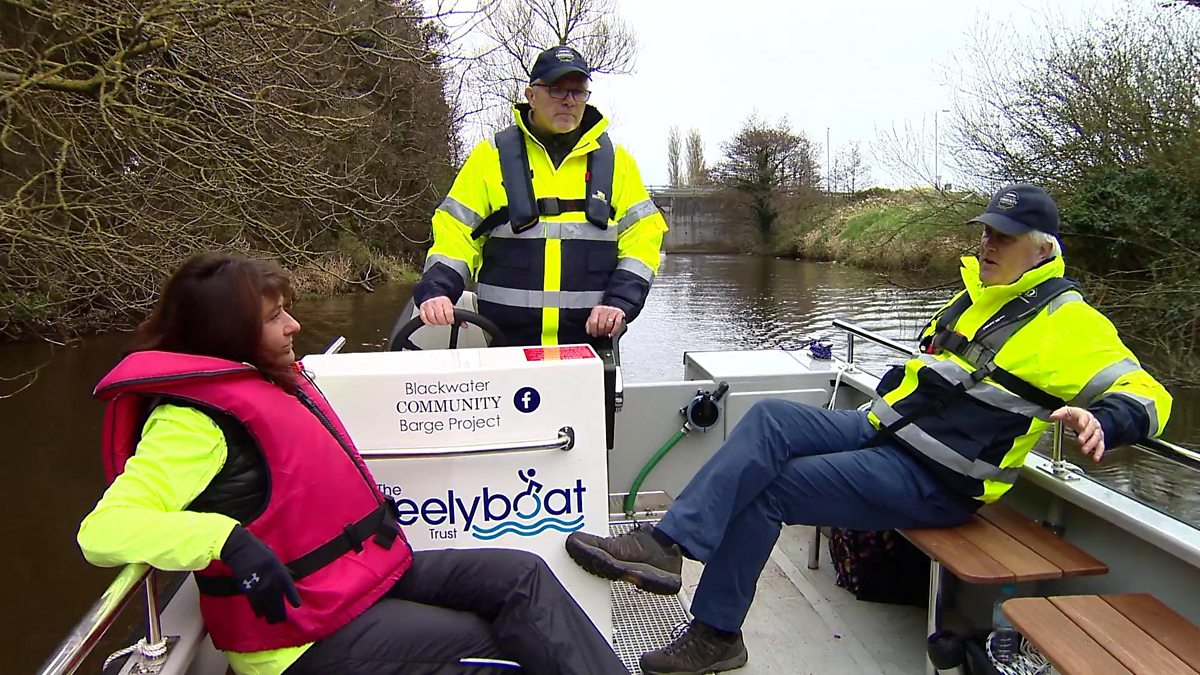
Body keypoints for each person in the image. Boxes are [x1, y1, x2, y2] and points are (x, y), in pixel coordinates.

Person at [564, 184, 1174, 675]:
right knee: (771, 417)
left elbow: (1151, 396)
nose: (988, 244)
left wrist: (1104, 419)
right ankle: (668, 546)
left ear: (1040, 251)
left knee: (771, 489)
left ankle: (716, 634)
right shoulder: (978, 296)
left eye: (1004, 237)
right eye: (986, 231)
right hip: (882, 430)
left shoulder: (1071, 323)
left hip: (935, 479)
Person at [77, 252, 627, 675]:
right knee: (498, 644)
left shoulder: (267, 381)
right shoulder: (191, 424)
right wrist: (225, 541)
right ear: (227, 334)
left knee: (521, 577)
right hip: (299, 639)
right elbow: (104, 530)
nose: (293, 326)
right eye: (274, 317)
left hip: (351, 581)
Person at [412, 44, 667, 347]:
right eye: (557, 89)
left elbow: (643, 238)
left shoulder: (617, 163)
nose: (569, 100)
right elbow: (456, 232)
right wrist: (438, 290)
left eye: (578, 91)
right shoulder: (490, 157)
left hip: (589, 349)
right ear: (531, 95)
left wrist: (619, 302)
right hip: (505, 346)